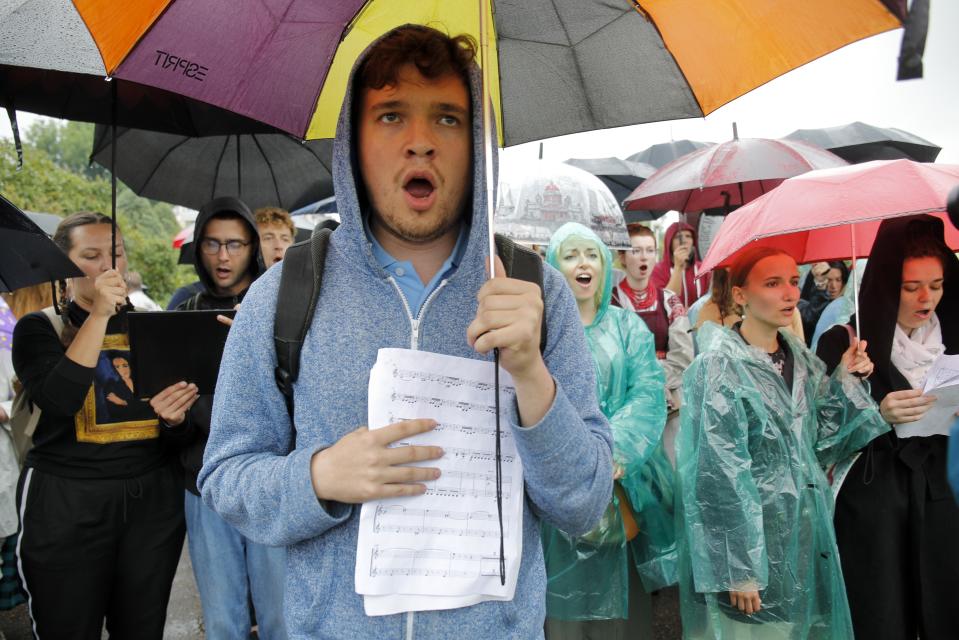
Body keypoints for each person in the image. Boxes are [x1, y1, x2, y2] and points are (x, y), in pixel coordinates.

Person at [198, 25, 612, 639]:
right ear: (352, 144)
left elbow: (584, 505)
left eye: (447, 119)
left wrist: (531, 374)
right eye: (391, 116)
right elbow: (226, 480)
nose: (420, 141)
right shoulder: (283, 295)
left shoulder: (537, 292)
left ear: (477, 143)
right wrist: (317, 478)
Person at [676, 245, 888, 639]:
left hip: (801, 536)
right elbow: (717, 473)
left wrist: (847, 377)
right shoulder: (719, 367)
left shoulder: (801, 360)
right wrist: (738, 565)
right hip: (749, 552)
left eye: (793, 281)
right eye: (772, 283)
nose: (790, 294)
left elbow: (822, 443)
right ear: (740, 294)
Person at [12, 212, 196, 639]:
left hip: (150, 503)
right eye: (90, 255)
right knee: (68, 627)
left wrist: (175, 420)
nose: (106, 264)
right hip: (66, 503)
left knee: (142, 628)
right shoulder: (39, 328)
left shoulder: (152, 326)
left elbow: (180, 436)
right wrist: (97, 316)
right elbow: (60, 401)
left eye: (115, 252)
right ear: (66, 266)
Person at [816, 215, 959, 639]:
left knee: (946, 605)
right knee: (881, 613)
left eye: (936, 285)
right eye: (910, 286)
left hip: (943, 494)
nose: (925, 298)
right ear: (885, 284)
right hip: (874, 501)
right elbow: (816, 434)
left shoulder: (954, 335)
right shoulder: (844, 342)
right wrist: (871, 409)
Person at [161, 197, 286, 639]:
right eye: (212, 244)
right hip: (205, 484)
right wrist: (171, 420)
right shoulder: (183, 310)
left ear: (252, 246)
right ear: (198, 248)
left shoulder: (282, 306)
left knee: (282, 618)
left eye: (235, 243)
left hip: (272, 479)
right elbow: (170, 430)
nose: (223, 256)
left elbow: (308, 395)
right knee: (222, 619)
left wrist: (260, 352)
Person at [543, 222, 668, 638]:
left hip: (620, 483)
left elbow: (648, 393)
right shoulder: (542, 334)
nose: (583, 263)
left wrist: (612, 451)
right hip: (559, 490)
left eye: (592, 254)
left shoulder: (628, 328)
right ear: (553, 266)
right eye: (571, 254)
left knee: (621, 607)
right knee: (562, 605)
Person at [613, 224, 692, 465]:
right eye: (636, 251)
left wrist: (656, 382)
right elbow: (612, 358)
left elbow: (684, 355)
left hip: (670, 403)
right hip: (627, 403)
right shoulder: (611, 303)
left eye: (650, 250)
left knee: (673, 468)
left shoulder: (669, 299)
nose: (644, 256)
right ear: (623, 257)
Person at [650, 221, 711, 309]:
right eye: (678, 237)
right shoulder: (658, 270)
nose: (685, 241)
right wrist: (678, 267)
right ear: (669, 242)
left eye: (688, 236)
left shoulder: (703, 268)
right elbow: (665, 301)